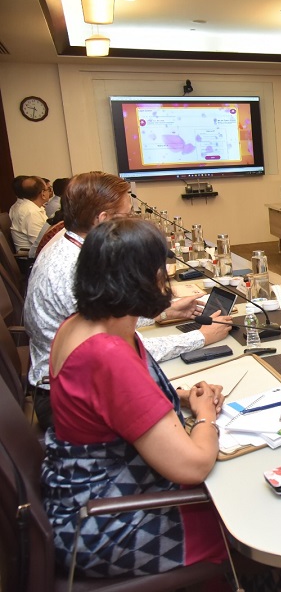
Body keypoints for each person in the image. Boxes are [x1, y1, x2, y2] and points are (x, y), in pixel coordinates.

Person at [42, 218, 228, 577]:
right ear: (141, 279)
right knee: (252, 526)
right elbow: (193, 465)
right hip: (109, 523)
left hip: (89, 498)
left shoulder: (83, 323)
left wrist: (181, 396)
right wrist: (205, 415)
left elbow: (111, 403)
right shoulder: (107, 353)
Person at [24, 171, 232, 429]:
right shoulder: (74, 271)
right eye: (128, 215)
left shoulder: (70, 245)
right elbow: (124, 350)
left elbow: (108, 319)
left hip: (76, 387)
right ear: (104, 220)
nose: (134, 222)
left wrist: (163, 312)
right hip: (69, 403)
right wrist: (200, 338)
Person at [10, 175, 50, 251]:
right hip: (32, 256)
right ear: (43, 194)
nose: (50, 192)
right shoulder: (31, 212)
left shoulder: (32, 207)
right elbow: (42, 243)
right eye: (48, 189)